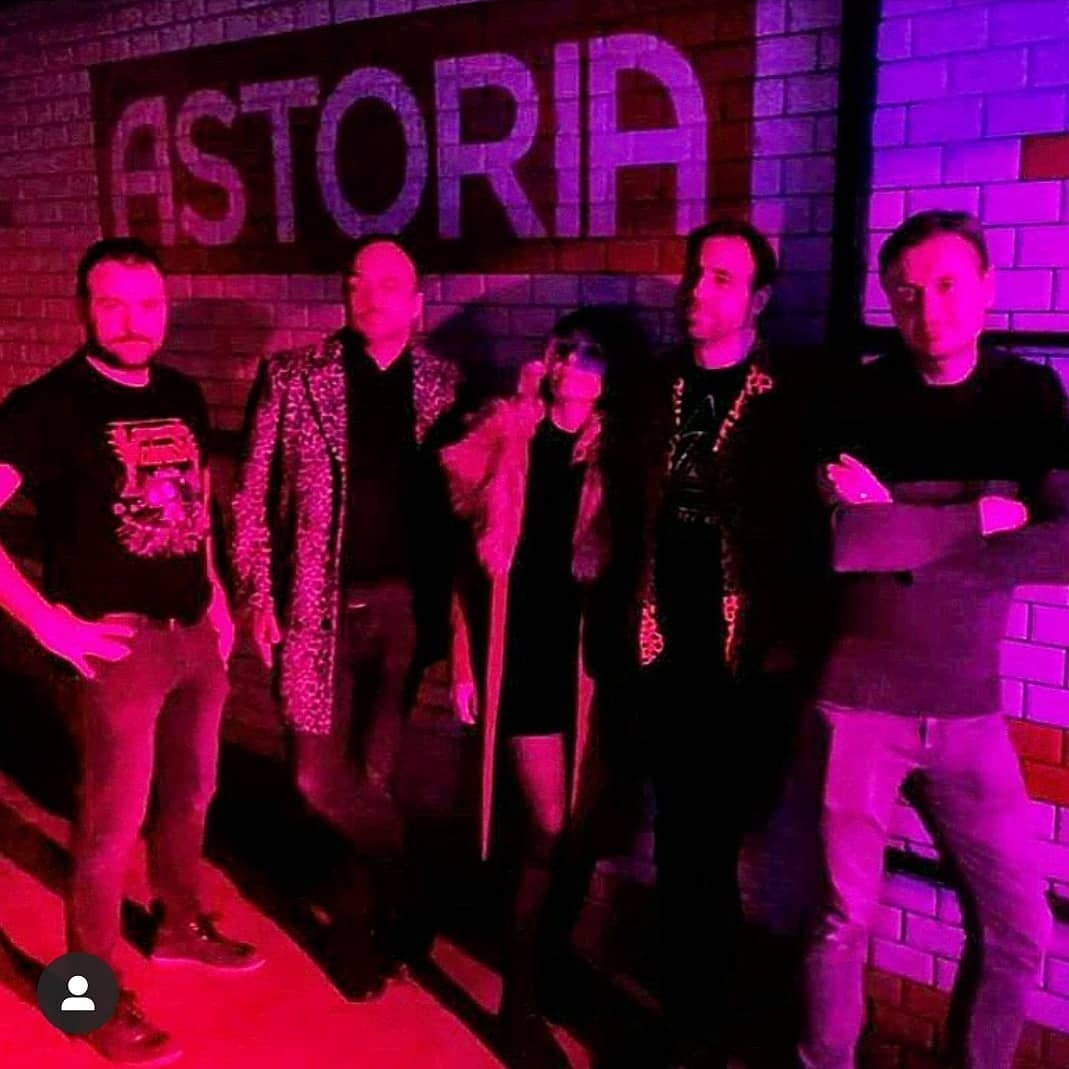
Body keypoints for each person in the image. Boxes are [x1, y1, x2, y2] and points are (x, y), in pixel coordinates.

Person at [799, 210, 1067, 1069]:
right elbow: (850, 546)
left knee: (1020, 926)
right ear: (888, 300)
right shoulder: (857, 396)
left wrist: (904, 526)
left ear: (986, 286)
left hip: (968, 711)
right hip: (857, 707)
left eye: (947, 285)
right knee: (841, 920)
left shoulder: (1026, 396)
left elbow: (1064, 545)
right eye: (906, 292)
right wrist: (980, 516)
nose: (928, 308)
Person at [0, 237, 260, 1066]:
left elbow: (195, 504)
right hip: (116, 649)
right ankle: (88, 998)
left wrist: (214, 592)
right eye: (111, 303)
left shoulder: (181, 393)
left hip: (194, 637)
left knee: (192, 797)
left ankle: (179, 924)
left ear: (165, 308)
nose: (131, 321)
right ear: (84, 307)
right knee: (110, 827)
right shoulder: (47, 406)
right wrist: (47, 623)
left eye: (147, 304)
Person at [232, 233, 459, 995]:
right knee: (318, 778)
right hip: (315, 606)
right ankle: (415, 888)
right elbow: (251, 496)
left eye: (387, 283)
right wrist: (256, 595)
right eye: (356, 280)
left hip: (402, 613)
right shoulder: (294, 377)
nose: (367, 294)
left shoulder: (445, 386)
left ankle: (359, 936)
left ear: (417, 303)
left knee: (372, 777)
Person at [635, 219, 830, 1067]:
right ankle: (689, 1022)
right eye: (694, 273)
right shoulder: (656, 387)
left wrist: (789, 646)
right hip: (661, 651)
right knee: (682, 841)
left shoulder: (791, 400)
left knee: (713, 842)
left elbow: (813, 536)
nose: (696, 290)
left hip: (747, 662)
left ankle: (701, 1027)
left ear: (757, 299)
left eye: (719, 278)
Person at [445, 307, 645, 1069]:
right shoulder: (507, 441)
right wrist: (463, 663)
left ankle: (547, 966)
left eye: (590, 355)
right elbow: (469, 568)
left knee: (581, 830)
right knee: (547, 827)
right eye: (563, 351)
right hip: (523, 657)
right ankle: (517, 1002)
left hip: (591, 664)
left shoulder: (618, 456)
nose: (572, 366)